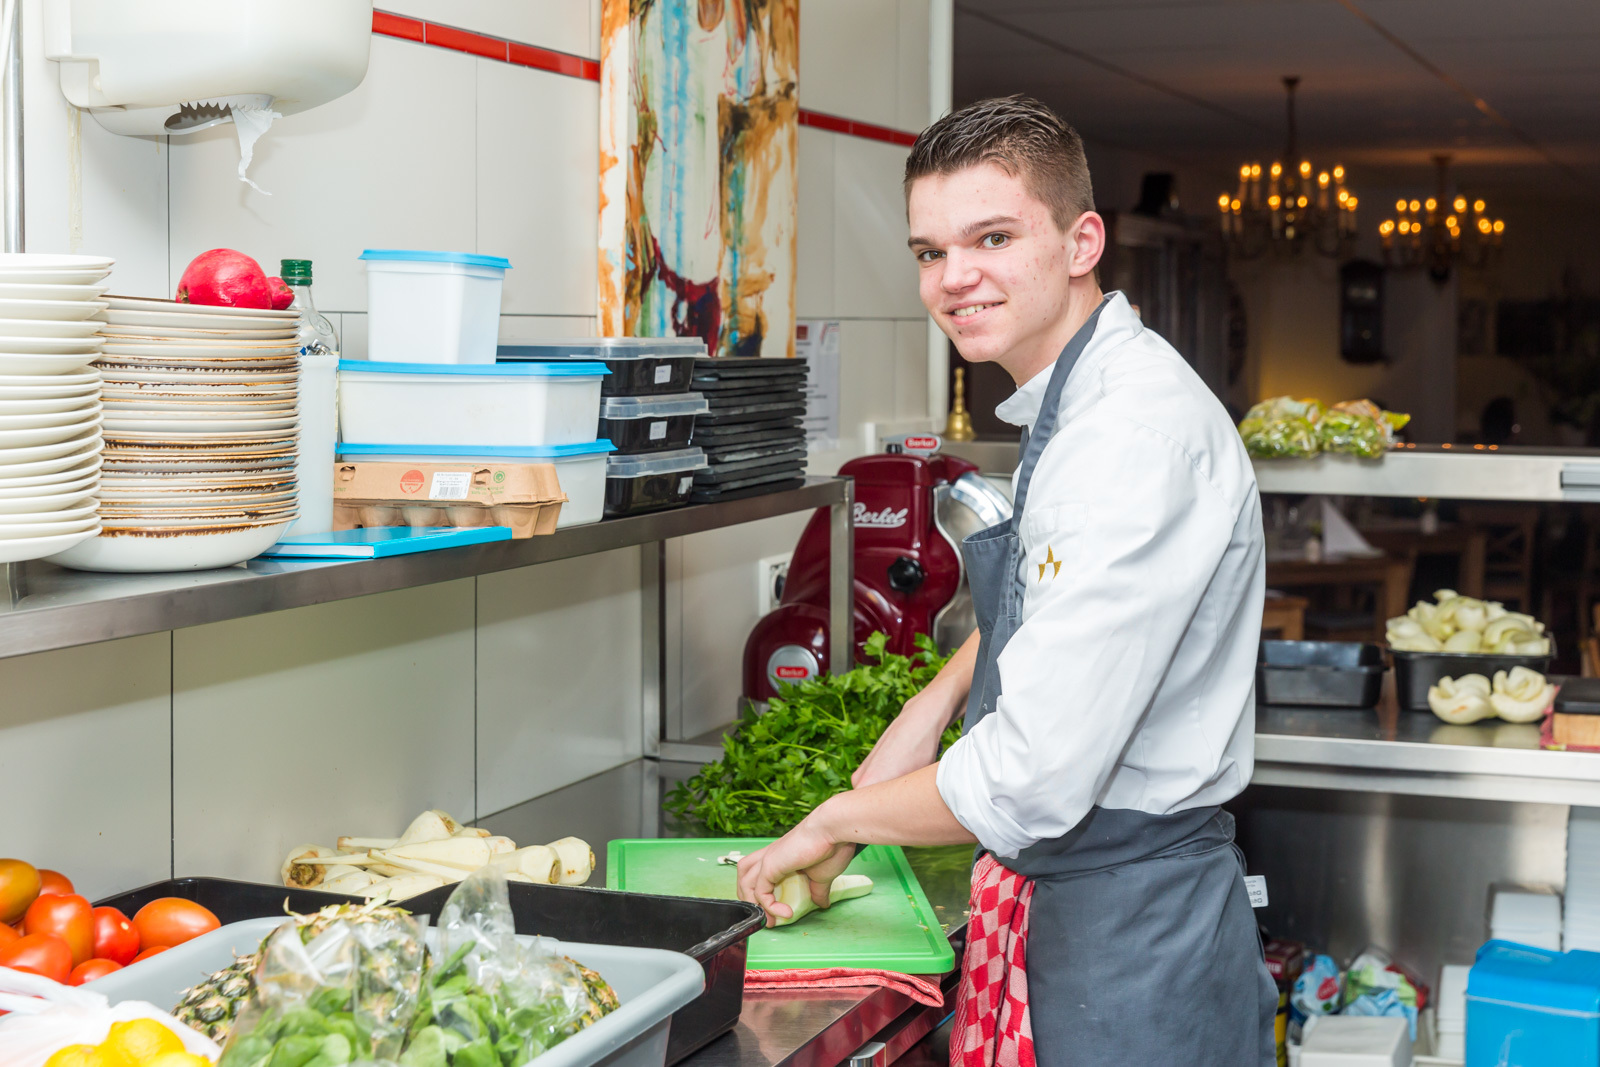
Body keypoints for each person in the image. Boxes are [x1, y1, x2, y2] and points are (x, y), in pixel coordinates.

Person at [736, 95, 1276, 1065]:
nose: (954, 277)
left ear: (1080, 242)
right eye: (929, 251)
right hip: (1092, 907)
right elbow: (1056, 599)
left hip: (1130, 942)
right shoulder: (1076, 400)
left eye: (992, 237)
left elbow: (1030, 780)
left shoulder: (1126, 439)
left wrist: (836, 818)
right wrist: (933, 704)